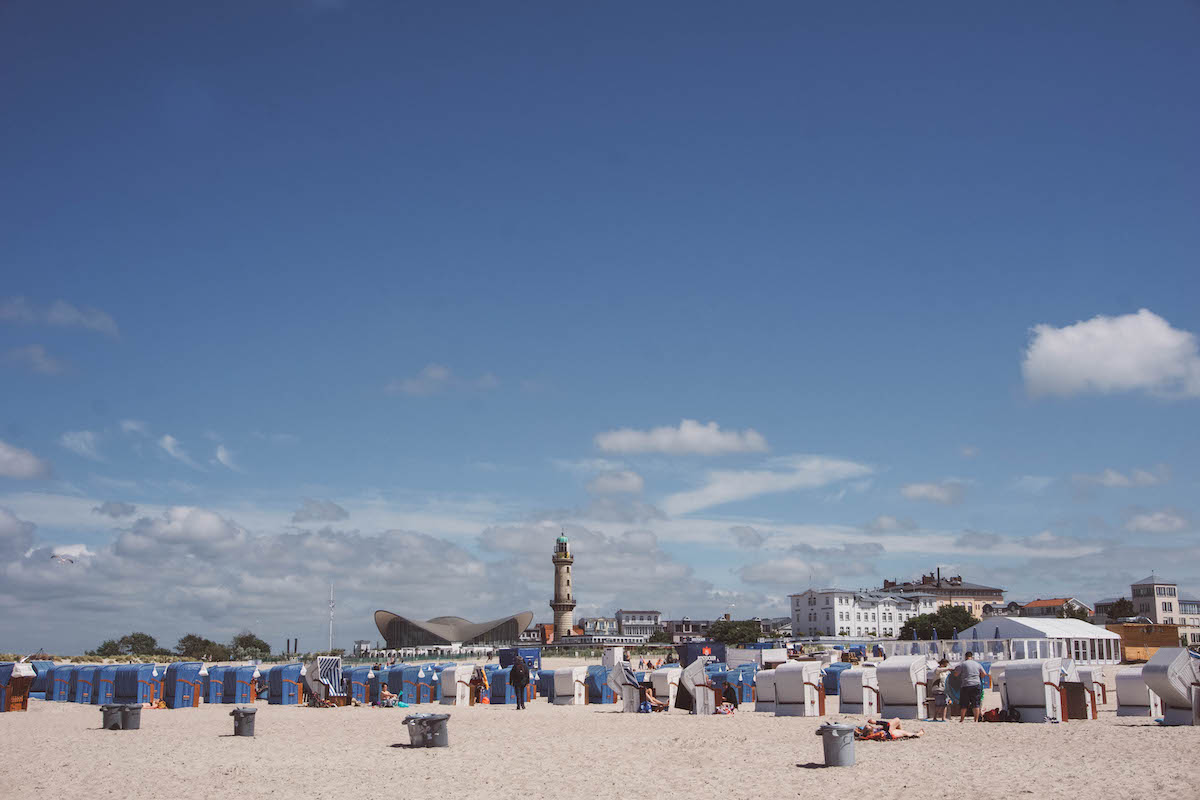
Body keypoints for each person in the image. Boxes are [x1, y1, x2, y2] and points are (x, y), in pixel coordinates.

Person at [954, 651, 984, 722]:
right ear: (972, 657)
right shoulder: (977, 664)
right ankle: (976, 720)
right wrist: (979, 678)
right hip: (976, 684)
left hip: (966, 685)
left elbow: (956, 674)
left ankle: (962, 719)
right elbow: (984, 673)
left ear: (965, 657)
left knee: (964, 703)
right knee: (976, 703)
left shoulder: (963, 664)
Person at [859, 718, 925, 740]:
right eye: (869, 726)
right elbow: (886, 725)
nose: (870, 725)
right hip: (890, 733)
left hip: (889, 731)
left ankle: (904, 731)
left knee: (898, 721)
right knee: (904, 732)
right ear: (870, 731)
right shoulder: (876, 733)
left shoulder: (869, 733)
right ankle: (918, 734)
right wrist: (875, 722)